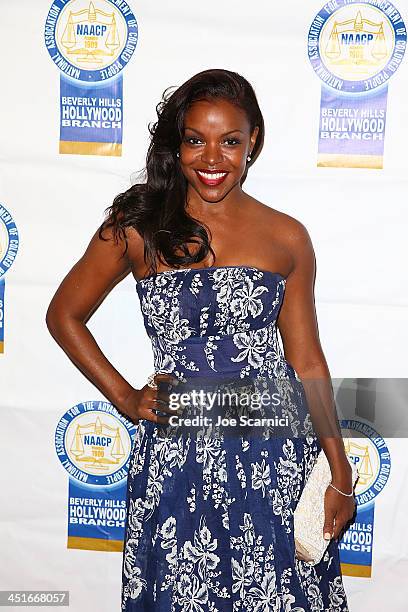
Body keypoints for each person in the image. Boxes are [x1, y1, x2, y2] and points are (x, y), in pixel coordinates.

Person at [46, 68, 356, 611]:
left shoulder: (287, 236)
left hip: (272, 451)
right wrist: (125, 396)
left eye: (230, 141)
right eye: (196, 140)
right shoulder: (140, 222)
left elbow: (306, 359)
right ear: (178, 143)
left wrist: (339, 467)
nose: (213, 159)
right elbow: (64, 314)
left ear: (252, 141)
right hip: (178, 451)